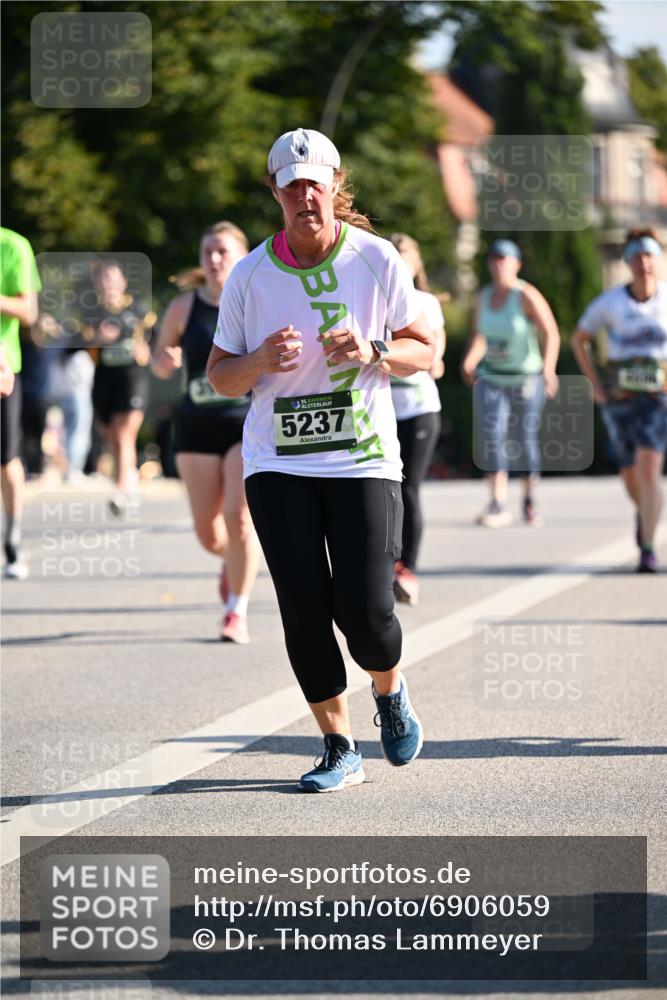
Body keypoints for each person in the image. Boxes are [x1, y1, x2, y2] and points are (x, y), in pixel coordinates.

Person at [207, 127, 435, 792]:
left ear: (335, 185)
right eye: (292, 184)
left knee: (365, 612)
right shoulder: (250, 274)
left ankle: (389, 691)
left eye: (316, 182)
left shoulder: (375, 259)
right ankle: (338, 745)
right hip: (277, 462)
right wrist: (256, 362)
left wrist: (372, 350)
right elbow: (220, 376)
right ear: (276, 192)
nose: (305, 194)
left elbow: (423, 350)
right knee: (303, 607)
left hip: (361, 457)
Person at [152, 222, 260, 643]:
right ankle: (232, 561)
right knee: (208, 532)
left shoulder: (255, 301)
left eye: (223, 252)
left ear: (241, 258)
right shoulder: (184, 307)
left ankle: (237, 611)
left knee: (238, 519)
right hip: (196, 426)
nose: (214, 260)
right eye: (207, 252)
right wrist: (165, 360)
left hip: (245, 423)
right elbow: (158, 359)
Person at [572, 228, 666, 573]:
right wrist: (594, 383)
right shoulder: (611, 303)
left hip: (659, 400)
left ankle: (647, 545)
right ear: (628, 261)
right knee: (630, 474)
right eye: (637, 257)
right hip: (619, 398)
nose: (644, 263)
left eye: (649, 256)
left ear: (657, 260)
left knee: (648, 466)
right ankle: (646, 514)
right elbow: (579, 338)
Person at [460, 239, 560, 527]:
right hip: (492, 375)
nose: (499, 264)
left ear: (516, 264)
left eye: (505, 259)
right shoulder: (484, 295)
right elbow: (480, 334)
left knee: (524, 438)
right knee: (492, 437)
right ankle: (497, 502)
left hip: (525, 375)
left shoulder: (526, 294)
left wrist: (549, 369)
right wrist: (469, 360)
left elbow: (551, 332)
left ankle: (529, 500)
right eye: (494, 259)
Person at [389, 233, 446, 606]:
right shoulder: (376, 299)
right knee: (383, 490)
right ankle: (385, 565)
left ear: (416, 263)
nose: (397, 260)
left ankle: (407, 567)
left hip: (420, 408)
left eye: (403, 254)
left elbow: (435, 363)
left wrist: (407, 357)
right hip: (381, 410)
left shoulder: (425, 303)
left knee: (408, 488)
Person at [89, 259, 156, 516]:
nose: (108, 284)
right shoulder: (92, 314)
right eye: (103, 279)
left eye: (112, 278)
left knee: (123, 433)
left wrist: (147, 348)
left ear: (123, 282)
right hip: (104, 378)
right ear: (96, 284)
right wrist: (97, 338)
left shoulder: (139, 310)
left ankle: (119, 491)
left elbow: (159, 335)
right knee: (111, 437)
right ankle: (129, 480)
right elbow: (75, 345)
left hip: (132, 378)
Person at [0, 227, 40, 579]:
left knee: (5, 459)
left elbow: (29, 312)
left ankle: (11, 537)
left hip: (2, 369)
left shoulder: (12, 246)